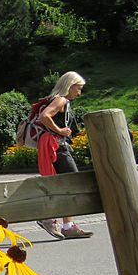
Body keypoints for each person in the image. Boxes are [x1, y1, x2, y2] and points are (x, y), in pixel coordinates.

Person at [35, 71, 93, 240]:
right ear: (70, 85)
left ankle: (67, 225)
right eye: (78, 88)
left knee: (65, 184)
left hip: (57, 145)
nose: (79, 92)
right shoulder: (60, 99)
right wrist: (60, 130)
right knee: (71, 182)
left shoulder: (62, 101)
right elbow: (44, 116)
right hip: (56, 146)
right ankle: (49, 218)